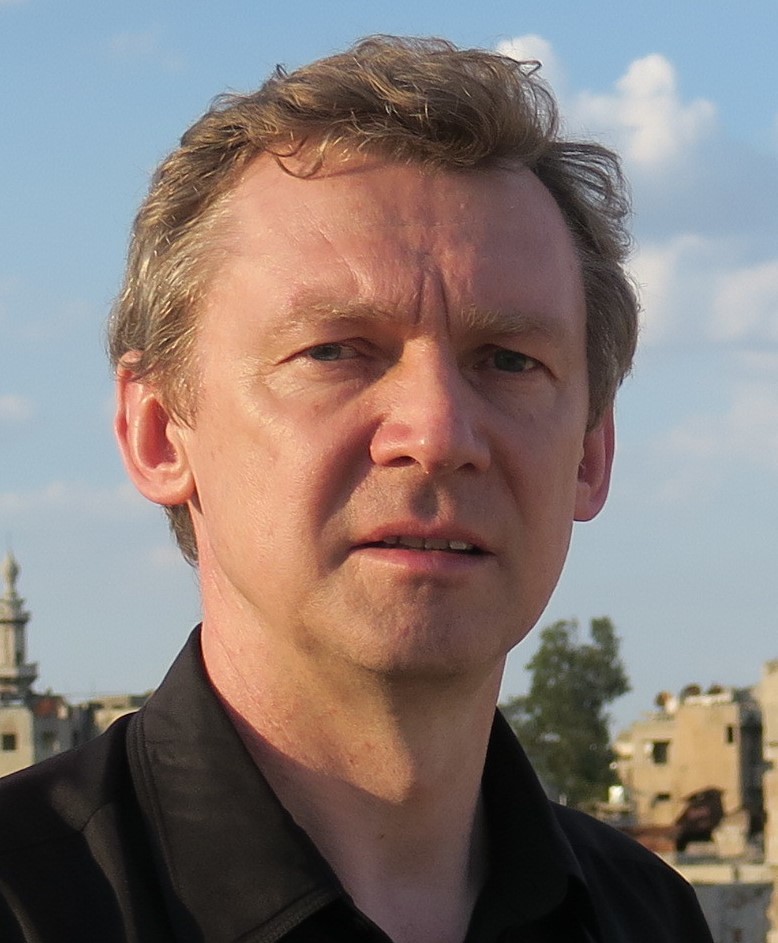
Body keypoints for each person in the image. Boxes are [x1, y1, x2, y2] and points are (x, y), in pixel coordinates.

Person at [0, 36, 713, 943]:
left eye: (508, 360)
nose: (438, 433)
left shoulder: (650, 918)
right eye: (334, 351)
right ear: (158, 432)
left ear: (590, 454)